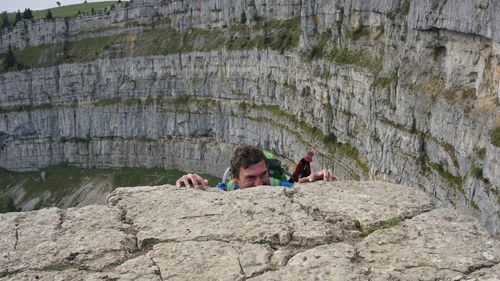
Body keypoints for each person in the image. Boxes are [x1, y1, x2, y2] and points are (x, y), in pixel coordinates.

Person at [176, 144, 336, 190]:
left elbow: (297, 187)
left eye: (263, 175)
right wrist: (190, 182)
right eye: (251, 178)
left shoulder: (276, 184)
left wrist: (315, 181)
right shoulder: (224, 189)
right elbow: (208, 192)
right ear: (235, 179)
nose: (259, 183)